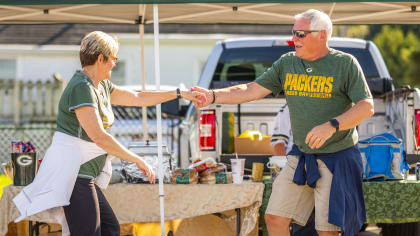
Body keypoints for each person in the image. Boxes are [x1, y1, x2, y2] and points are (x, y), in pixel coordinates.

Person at [192, 9, 373, 236]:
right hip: (301, 156)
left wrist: (332, 125)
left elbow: (367, 106)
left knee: (327, 231)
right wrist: (213, 96)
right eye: (293, 33)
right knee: (275, 218)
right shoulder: (287, 63)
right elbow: (250, 90)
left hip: (337, 158)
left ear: (322, 35)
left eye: (301, 34)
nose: (294, 39)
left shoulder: (346, 64)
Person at [13, 31, 206, 236]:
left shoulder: (101, 85)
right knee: (93, 232)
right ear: (100, 59)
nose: (115, 63)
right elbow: (99, 137)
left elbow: (137, 97)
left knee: (109, 228)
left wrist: (178, 93)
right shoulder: (81, 87)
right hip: (73, 174)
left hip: (85, 176)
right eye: (113, 58)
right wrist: (138, 160)